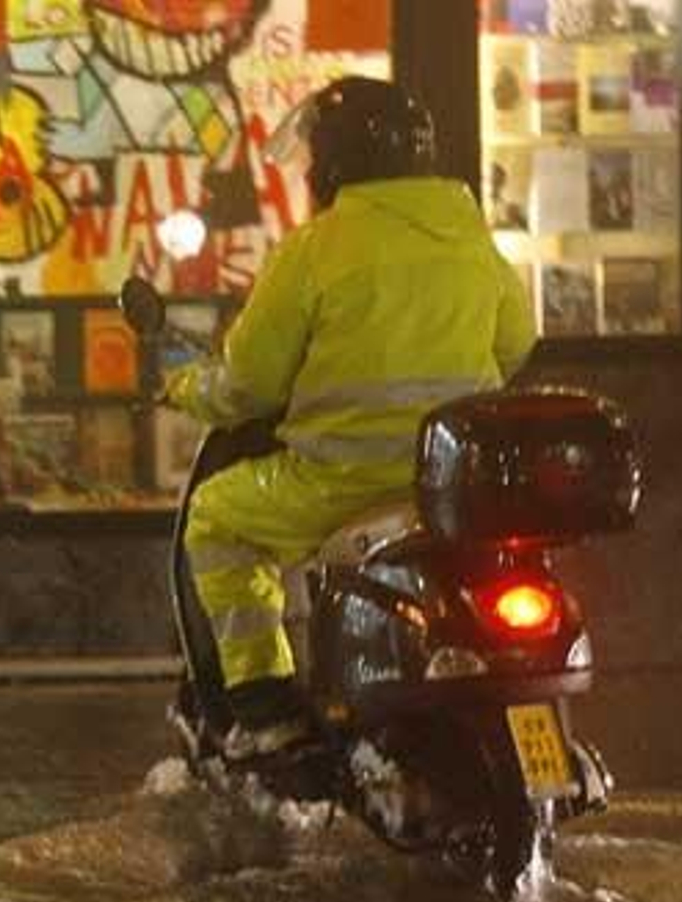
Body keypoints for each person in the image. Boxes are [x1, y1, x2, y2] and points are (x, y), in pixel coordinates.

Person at [164, 77, 537, 760]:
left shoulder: (315, 250)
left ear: (335, 162)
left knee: (216, 518)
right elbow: (517, 341)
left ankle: (264, 703)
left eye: (312, 158)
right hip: (451, 487)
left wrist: (185, 388)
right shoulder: (468, 235)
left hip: (342, 482)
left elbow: (248, 384)